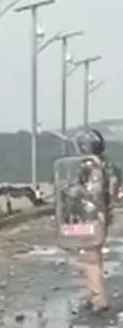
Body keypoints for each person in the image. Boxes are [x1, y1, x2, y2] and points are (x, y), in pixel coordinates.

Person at [71, 129, 111, 314]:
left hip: (91, 215)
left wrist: (74, 193)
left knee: (90, 258)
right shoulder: (106, 164)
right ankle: (89, 292)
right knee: (91, 255)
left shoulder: (91, 166)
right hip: (102, 215)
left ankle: (97, 298)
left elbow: (89, 191)